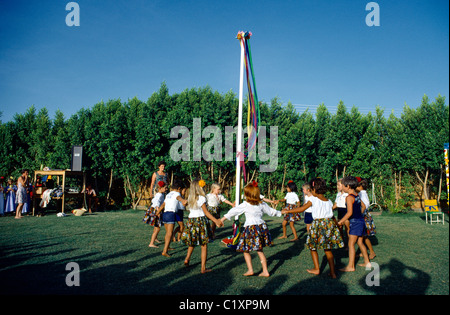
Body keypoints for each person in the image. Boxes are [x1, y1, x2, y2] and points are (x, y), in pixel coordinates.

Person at [282, 177, 344, 278]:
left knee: (312, 247)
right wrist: (337, 225)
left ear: (314, 189)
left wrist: (288, 211)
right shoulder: (329, 201)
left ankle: (316, 268)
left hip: (318, 225)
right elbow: (332, 216)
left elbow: (302, 209)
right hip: (328, 225)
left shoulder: (313, 199)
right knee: (328, 250)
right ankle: (333, 273)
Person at [220, 181, 282, 277]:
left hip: (250, 229)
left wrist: (222, 219)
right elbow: (272, 212)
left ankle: (250, 270)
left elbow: (233, 211)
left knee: (245, 250)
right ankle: (265, 271)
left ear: (247, 194)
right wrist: (283, 212)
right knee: (259, 250)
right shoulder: (262, 204)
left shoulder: (245, 204)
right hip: (261, 227)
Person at [181, 179, 223, 273]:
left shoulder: (190, 197)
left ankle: (187, 259)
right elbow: (206, 212)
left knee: (192, 242)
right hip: (200, 221)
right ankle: (203, 268)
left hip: (191, 221)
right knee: (203, 245)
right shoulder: (201, 198)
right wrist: (216, 220)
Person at [338, 176, 371, 272]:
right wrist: (359, 214)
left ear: (347, 186)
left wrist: (341, 221)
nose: (342, 187)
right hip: (361, 221)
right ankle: (367, 262)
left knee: (351, 244)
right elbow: (363, 206)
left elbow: (349, 213)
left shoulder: (349, 197)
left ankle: (351, 266)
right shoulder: (357, 195)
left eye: (343, 185)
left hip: (355, 222)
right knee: (360, 242)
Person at [156, 179, 187, 257]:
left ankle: (168, 247)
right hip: (171, 214)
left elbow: (163, 204)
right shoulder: (177, 194)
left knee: (168, 233)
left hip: (165, 214)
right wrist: (183, 200)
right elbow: (179, 198)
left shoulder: (168, 194)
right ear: (179, 188)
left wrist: (158, 212)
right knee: (169, 233)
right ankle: (165, 251)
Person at [356, 177, 377, 259]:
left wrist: (359, 214)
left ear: (360, 186)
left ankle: (372, 252)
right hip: (363, 216)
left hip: (363, 217)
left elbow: (365, 206)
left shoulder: (362, 194)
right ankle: (363, 251)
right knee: (361, 236)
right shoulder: (362, 193)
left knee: (364, 236)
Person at [143, 180, 166, 248]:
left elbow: (153, 200)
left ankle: (155, 238)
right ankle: (151, 243)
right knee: (157, 227)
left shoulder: (159, 194)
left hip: (154, 209)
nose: (166, 189)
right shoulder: (159, 195)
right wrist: (158, 212)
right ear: (160, 188)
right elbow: (157, 203)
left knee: (156, 226)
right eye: (164, 188)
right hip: (156, 210)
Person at [333, 178, 349, 244]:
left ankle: (349, 243)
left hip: (346, 211)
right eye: (337, 185)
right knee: (340, 228)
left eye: (339, 185)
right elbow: (336, 204)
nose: (337, 187)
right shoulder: (338, 194)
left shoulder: (347, 194)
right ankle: (342, 243)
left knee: (347, 229)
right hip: (339, 211)